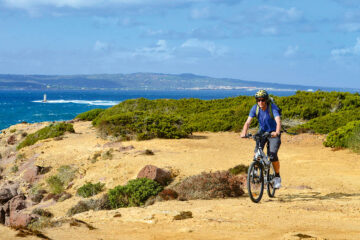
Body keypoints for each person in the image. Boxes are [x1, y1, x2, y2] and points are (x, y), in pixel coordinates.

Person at [240, 89, 282, 189]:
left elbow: (278, 121)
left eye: (262, 100)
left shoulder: (273, 108)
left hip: (273, 133)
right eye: (258, 100)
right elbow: (247, 122)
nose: (260, 102)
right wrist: (244, 133)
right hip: (262, 132)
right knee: (257, 152)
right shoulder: (255, 108)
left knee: (272, 155)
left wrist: (276, 132)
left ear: (266, 100)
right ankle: (255, 169)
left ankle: (277, 176)